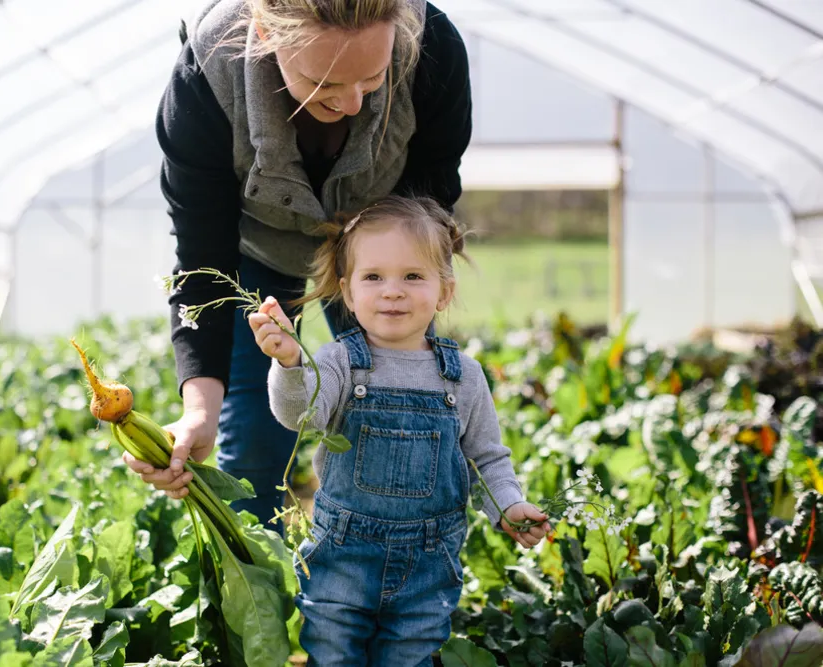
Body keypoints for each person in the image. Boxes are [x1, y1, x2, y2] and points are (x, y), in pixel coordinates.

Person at [123, 0, 474, 529]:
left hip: (381, 250)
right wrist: (198, 410)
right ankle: (259, 591)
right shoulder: (206, 77)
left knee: (390, 425)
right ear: (264, 32)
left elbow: (428, 206)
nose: (354, 102)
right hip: (257, 248)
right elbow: (202, 260)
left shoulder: (434, 51)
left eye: (373, 77)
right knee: (258, 443)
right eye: (324, 83)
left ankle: (386, 587)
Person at [247, 195, 551, 664]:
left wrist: (506, 506)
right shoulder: (339, 361)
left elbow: (486, 457)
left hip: (429, 566)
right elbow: (300, 415)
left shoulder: (463, 375)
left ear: (444, 292)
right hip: (342, 557)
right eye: (374, 277)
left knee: (410, 655)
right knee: (332, 651)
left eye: (413, 276)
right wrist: (289, 363)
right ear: (347, 293)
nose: (393, 291)